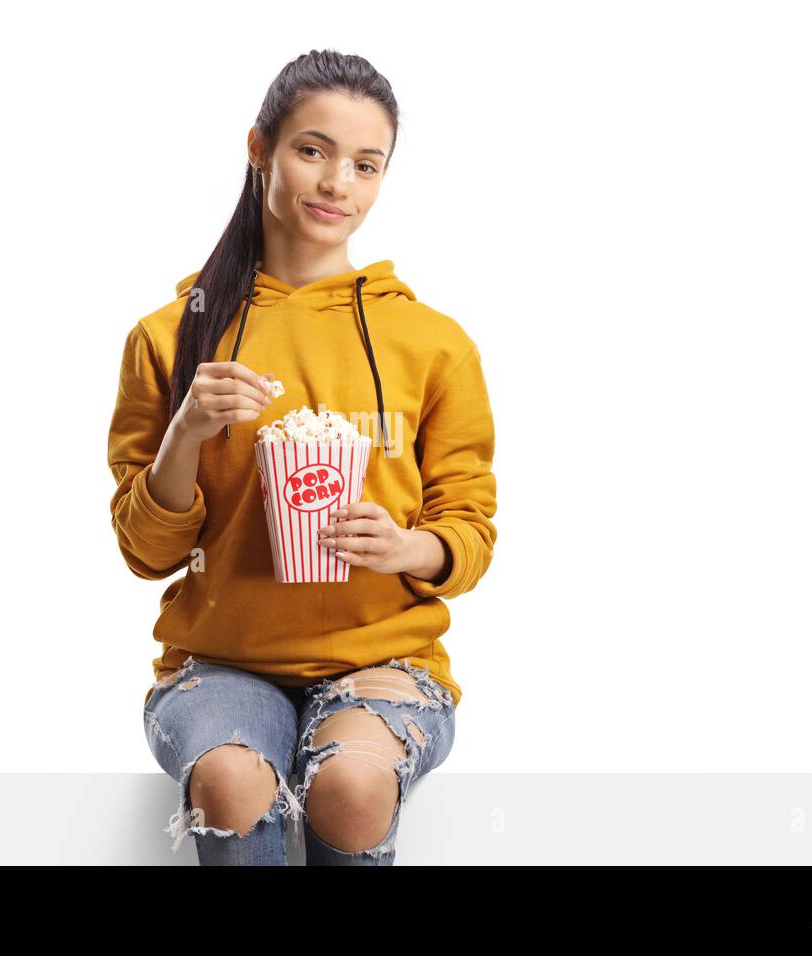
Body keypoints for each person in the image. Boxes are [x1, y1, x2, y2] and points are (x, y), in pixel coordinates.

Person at [107, 49, 497, 865]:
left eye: (365, 164)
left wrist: (406, 546)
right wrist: (184, 434)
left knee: (350, 788)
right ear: (260, 148)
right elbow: (146, 552)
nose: (336, 184)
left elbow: (469, 530)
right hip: (218, 662)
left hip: (385, 659)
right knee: (231, 781)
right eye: (312, 151)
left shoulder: (433, 343)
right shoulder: (172, 335)